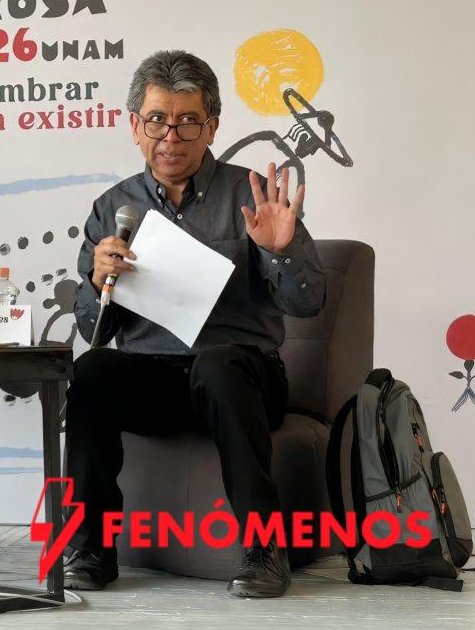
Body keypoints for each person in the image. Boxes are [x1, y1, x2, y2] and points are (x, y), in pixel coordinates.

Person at [64, 50, 326, 598]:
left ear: (211, 127)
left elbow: (309, 303)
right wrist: (97, 283)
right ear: (134, 126)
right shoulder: (113, 207)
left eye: (187, 121)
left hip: (244, 378)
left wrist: (279, 251)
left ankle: (265, 552)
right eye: (157, 120)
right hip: (154, 378)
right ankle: (90, 548)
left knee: (218, 364)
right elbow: (95, 331)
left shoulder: (252, 197)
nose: (171, 136)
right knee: (91, 372)